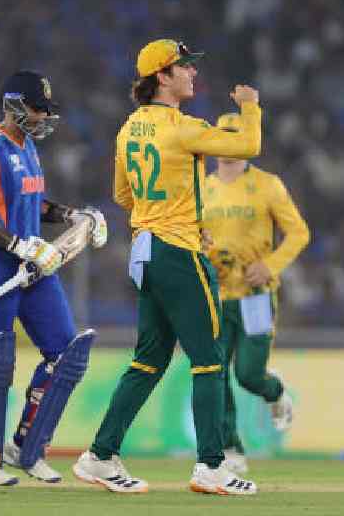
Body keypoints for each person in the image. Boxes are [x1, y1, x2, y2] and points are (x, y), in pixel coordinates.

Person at [72, 39, 262, 496]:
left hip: (146, 250)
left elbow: (122, 195)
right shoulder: (182, 127)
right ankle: (211, 465)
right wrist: (251, 106)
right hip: (180, 251)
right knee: (208, 360)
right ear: (162, 76)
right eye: (185, 68)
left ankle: (100, 455)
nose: (193, 74)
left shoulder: (128, 129)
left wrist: (165, 212)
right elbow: (249, 144)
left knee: (148, 359)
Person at [0, 71, 107, 486]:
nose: (44, 117)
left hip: (34, 262)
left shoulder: (27, 148)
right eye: (39, 109)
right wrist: (14, 244)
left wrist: (71, 216)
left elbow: (32, 203)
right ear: (15, 105)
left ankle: (27, 449)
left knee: (66, 353)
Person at [202, 114, 309, 475]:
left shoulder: (267, 185)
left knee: (248, 375)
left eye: (236, 136)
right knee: (214, 372)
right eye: (223, 135)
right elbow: (190, 234)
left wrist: (272, 265)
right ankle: (231, 448)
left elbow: (298, 233)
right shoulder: (202, 189)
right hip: (216, 297)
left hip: (256, 296)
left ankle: (274, 392)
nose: (229, 143)